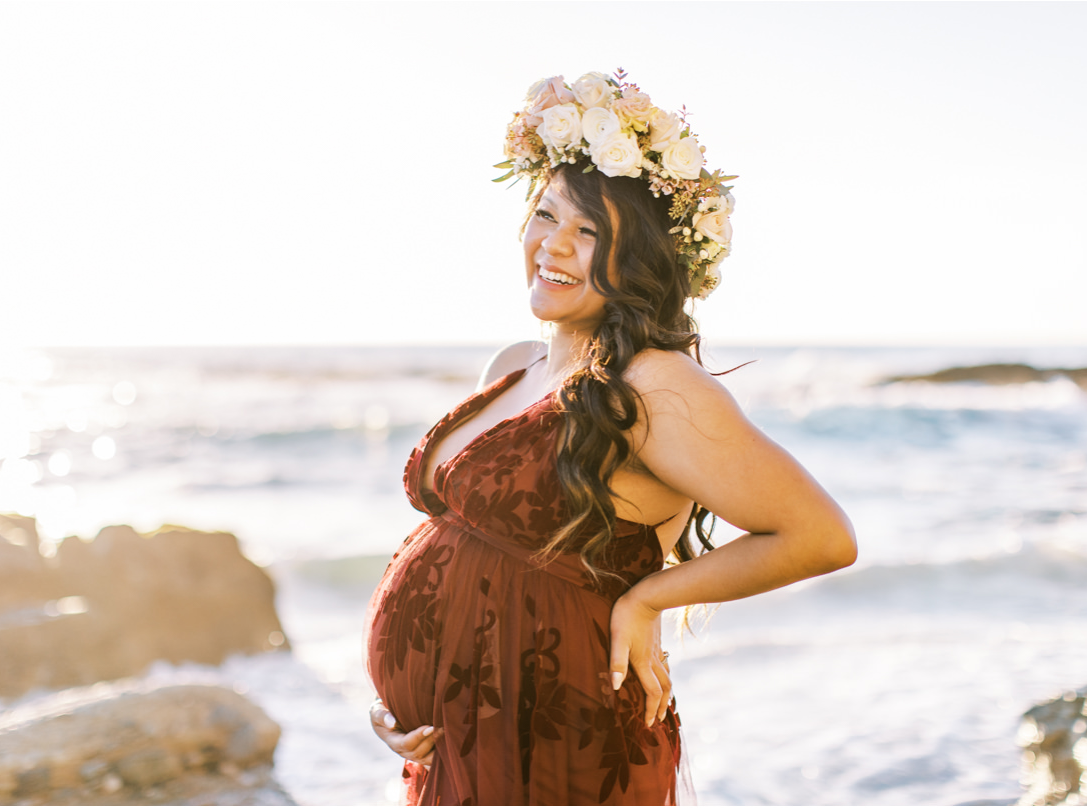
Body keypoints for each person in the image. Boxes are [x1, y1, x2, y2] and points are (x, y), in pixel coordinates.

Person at [364, 70, 856, 806]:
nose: (552, 245)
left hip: (557, 735)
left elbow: (819, 535)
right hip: (460, 744)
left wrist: (649, 600)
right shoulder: (512, 365)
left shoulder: (654, 384)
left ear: (641, 261)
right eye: (544, 214)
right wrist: (400, 699)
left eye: (589, 232)